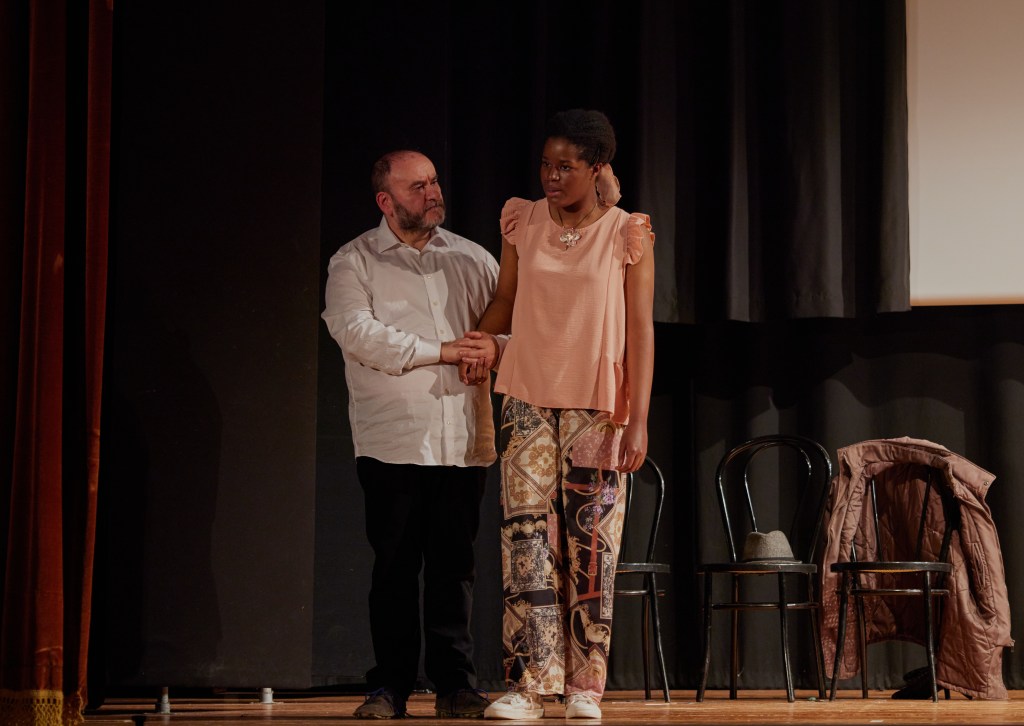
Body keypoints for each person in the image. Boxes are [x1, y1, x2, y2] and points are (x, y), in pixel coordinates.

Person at [460, 110, 655, 720]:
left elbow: (641, 331)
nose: (551, 176)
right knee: (525, 537)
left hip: (598, 404)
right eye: (545, 164)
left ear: (597, 168)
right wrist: (478, 340)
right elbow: (506, 298)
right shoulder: (523, 220)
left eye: (565, 167)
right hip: (525, 396)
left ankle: (584, 688)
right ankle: (529, 685)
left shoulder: (627, 231)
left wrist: (639, 418)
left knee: (591, 543)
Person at [321, 150, 498, 719]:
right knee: (395, 567)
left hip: (462, 439)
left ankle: (456, 685)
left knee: (454, 569)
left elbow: (514, 327)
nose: (432, 192)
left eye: (434, 181)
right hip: (394, 441)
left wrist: (491, 349)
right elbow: (356, 332)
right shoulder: (355, 261)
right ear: (386, 200)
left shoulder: (472, 258)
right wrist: (443, 351)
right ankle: (390, 687)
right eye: (417, 186)